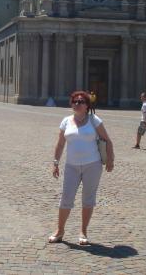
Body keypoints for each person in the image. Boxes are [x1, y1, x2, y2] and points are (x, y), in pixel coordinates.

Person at [49, 91, 114, 245]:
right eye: (75, 101)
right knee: (66, 198)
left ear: (87, 106)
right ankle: (60, 230)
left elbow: (107, 140)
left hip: (93, 165)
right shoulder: (66, 121)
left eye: (81, 101)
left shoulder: (94, 120)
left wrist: (110, 160)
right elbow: (60, 144)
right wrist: (55, 162)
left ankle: (83, 231)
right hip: (71, 166)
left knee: (88, 199)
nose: (77, 104)